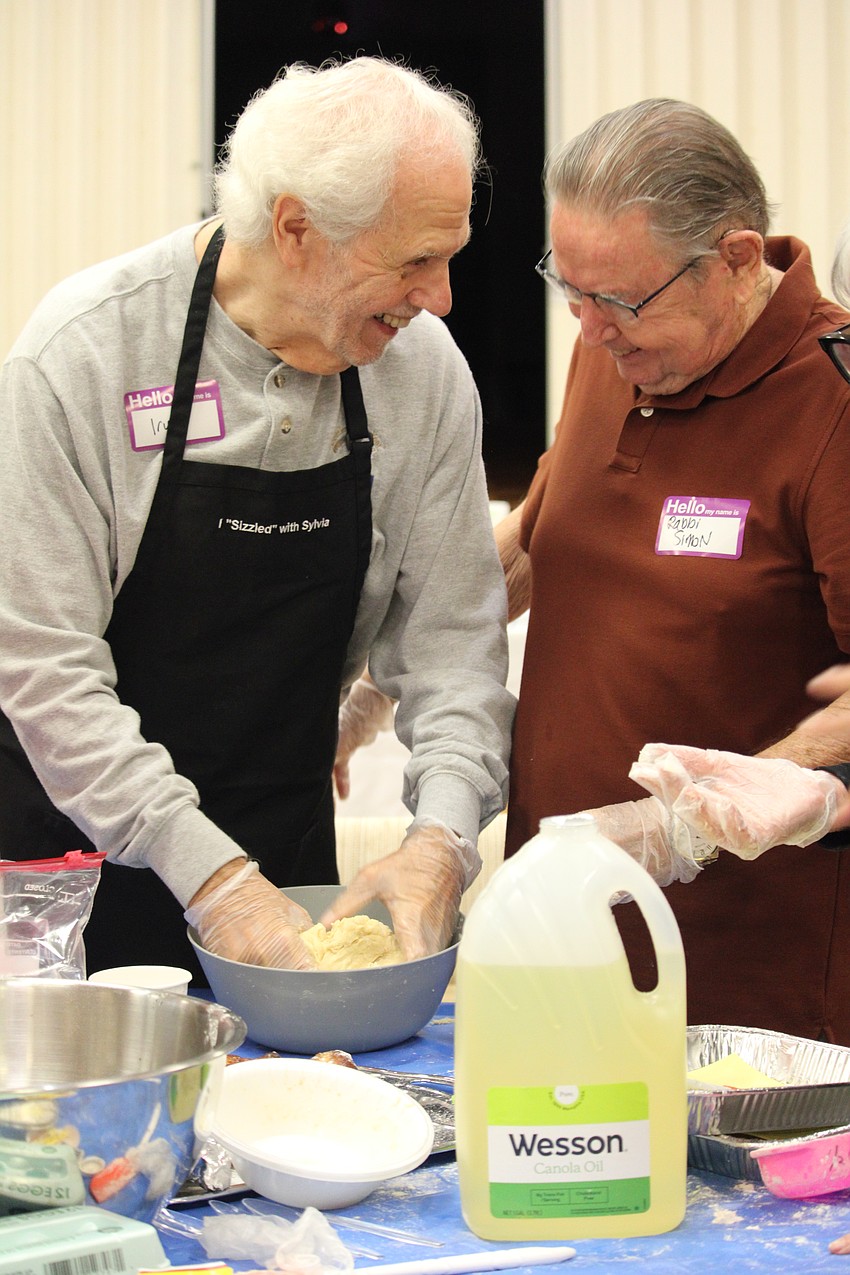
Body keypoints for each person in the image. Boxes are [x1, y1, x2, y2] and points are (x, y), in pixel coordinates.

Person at [0, 56, 514, 979]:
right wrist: (216, 881)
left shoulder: (424, 376)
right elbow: (42, 666)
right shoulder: (86, 354)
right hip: (64, 881)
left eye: (450, 257)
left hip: (286, 862)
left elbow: (453, 651)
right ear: (295, 229)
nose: (440, 297)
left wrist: (443, 837)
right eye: (414, 261)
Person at [494, 98, 850, 1043]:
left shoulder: (833, 403)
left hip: (741, 982)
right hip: (559, 936)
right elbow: (543, 536)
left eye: (618, 300)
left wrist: (689, 825)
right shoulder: (620, 349)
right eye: (569, 288)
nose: (589, 329)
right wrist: (374, 674)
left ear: (736, 258)